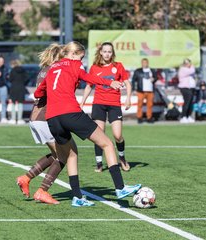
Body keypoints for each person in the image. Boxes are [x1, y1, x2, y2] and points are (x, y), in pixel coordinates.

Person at [34, 41, 141, 207]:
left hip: (52, 119)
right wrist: (109, 82)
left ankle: (77, 197)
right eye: (81, 57)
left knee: (71, 155)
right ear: (73, 54)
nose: (81, 61)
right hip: (70, 113)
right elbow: (89, 78)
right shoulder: (74, 65)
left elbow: (38, 92)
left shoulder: (53, 68)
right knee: (107, 144)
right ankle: (120, 188)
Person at [17, 43, 68, 204]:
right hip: (44, 118)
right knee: (63, 156)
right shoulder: (54, 71)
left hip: (37, 118)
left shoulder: (44, 70)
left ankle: (26, 178)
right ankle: (42, 191)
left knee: (56, 154)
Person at [80, 42, 132, 173]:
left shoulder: (118, 66)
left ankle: (122, 158)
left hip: (114, 104)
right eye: (105, 51)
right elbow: (88, 86)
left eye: (110, 51)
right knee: (99, 134)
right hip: (99, 104)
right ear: (101, 53)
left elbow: (127, 83)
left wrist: (128, 98)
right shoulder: (94, 68)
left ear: (112, 53)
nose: (107, 54)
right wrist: (82, 103)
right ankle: (99, 163)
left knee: (117, 135)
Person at [132, 58, 158, 124]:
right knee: (139, 104)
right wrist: (133, 89)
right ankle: (139, 117)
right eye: (143, 62)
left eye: (146, 62)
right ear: (141, 63)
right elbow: (133, 80)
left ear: (148, 63)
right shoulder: (138, 71)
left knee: (150, 105)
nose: (144, 64)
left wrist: (154, 79)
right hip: (141, 91)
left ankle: (149, 117)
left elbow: (156, 78)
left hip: (150, 91)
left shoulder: (152, 70)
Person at [8, 59, 28, 124]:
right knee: (20, 104)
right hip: (21, 88)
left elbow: (10, 79)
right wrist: (23, 84)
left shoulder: (12, 70)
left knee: (13, 104)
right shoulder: (23, 70)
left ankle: (13, 119)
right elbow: (27, 78)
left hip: (14, 88)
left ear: (13, 64)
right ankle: (20, 119)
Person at [178, 58, 196, 123]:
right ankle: (183, 116)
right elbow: (192, 71)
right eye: (187, 63)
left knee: (190, 103)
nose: (188, 64)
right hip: (184, 87)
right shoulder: (183, 69)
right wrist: (192, 66)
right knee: (187, 102)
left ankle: (188, 116)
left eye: (189, 63)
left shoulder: (189, 69)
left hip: (191, 88)